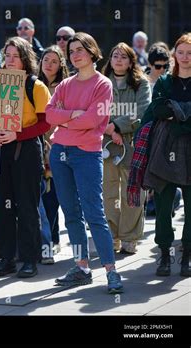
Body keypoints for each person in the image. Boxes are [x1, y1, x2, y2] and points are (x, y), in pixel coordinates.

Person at [45, 32, 124, 294]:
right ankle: (81, 267)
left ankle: (111, 272)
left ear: (92, 52)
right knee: (71, 215)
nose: (75, 54)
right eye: (71, 51)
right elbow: (49, 114)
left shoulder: (103, 85)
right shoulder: (65, 84)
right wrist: (70, 116)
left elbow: (93, 121)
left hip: (87, 154)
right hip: (60, 153)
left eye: (80, 49)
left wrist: (64, 120)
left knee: (95, 214)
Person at [0, 37, 51, 278]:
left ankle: (29, 258)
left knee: (27, 206)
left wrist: (17, 133)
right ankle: (5, 258)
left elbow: (46, 123)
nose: (10, 60)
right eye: (7, 55)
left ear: (25, 59)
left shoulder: (36, 86)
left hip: (25, 150)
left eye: (16, 56)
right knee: (2, 206)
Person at [137, 33, 191, 278]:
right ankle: (165, 254)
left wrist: (176, 114)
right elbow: (158, 109)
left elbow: (168, 112)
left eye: (190, 53)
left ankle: (187, 255)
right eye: (181, 52)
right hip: (164, 147)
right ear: (174, 54)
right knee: (163, 204)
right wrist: (185, 112)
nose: (185, 57)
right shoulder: (165, 81)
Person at [101, 42, 151, 254]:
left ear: (131, 61)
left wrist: (117, 126)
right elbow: (96, 110)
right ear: (110, 60)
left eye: (123, 56)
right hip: (106, 143)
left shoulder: (141, 84)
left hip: (133, 142)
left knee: (132, 191)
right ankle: (111, 235)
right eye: (115, 55)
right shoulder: (101, 83)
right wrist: (111, 131)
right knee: (108, 190)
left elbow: (142, 110)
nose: (118, 59)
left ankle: (130, 236)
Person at [38, 45, 70, 259]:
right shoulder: (34, 84)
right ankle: (43, 239)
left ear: (60, 65)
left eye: (54, 61)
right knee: (40, 194)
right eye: (46, 60)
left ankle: (55, 238)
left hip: (59, 145)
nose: (49, 64)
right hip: (36, 144)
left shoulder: (65, 87)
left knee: (54, 195)